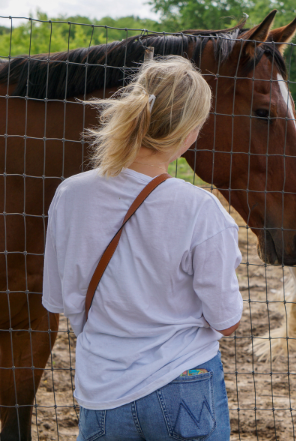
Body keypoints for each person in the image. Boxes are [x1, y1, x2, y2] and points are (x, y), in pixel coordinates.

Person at [42, 56, 243, 441]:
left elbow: (58, 299)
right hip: (184, 380)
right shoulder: (201, 209)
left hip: (101, 389)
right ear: (190, 132)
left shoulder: (70, 194)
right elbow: (226, 321)